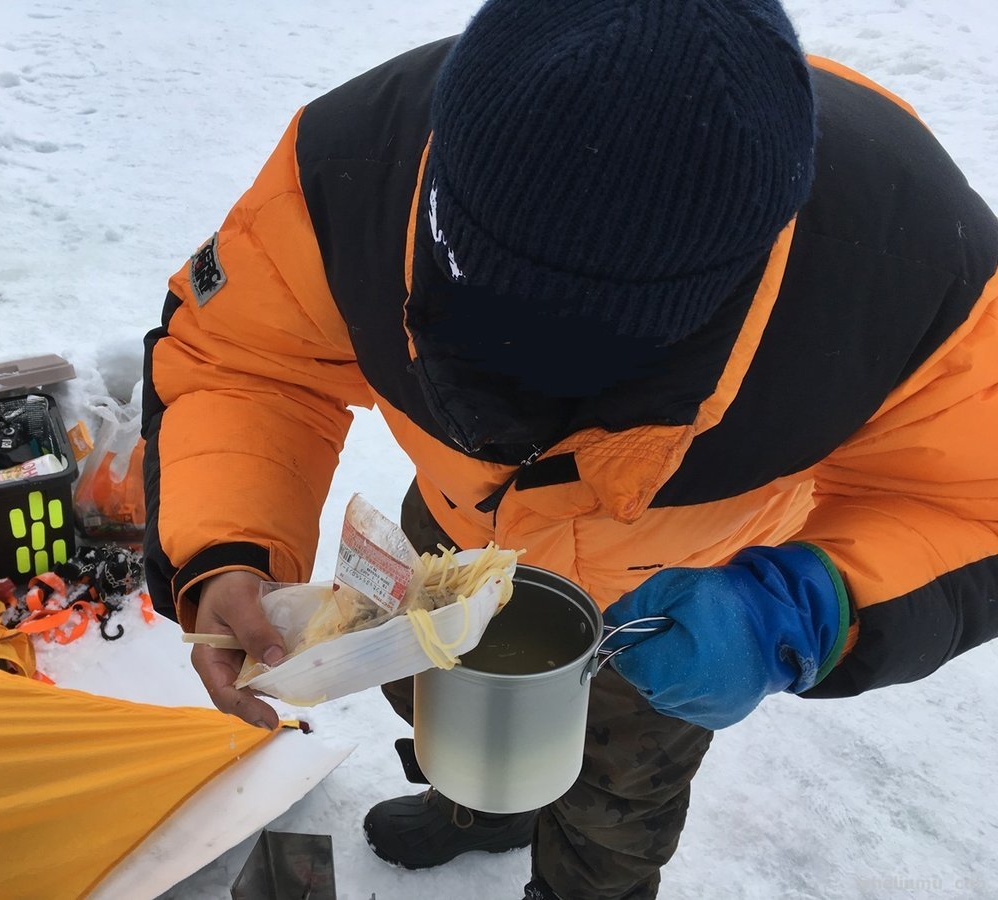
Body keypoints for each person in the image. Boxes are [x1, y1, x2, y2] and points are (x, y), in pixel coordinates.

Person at [141, 1, 998, 896]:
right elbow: (244, 361)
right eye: (479, 329)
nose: (525, 403)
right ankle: (479, 807)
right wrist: (228, 547)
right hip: (449, 537)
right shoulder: (353, 165)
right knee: (443, 710)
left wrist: (806, 608)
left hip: (681, 593)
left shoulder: (914, 261)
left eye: (612, 362)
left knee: (623, 797)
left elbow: (976, 500)